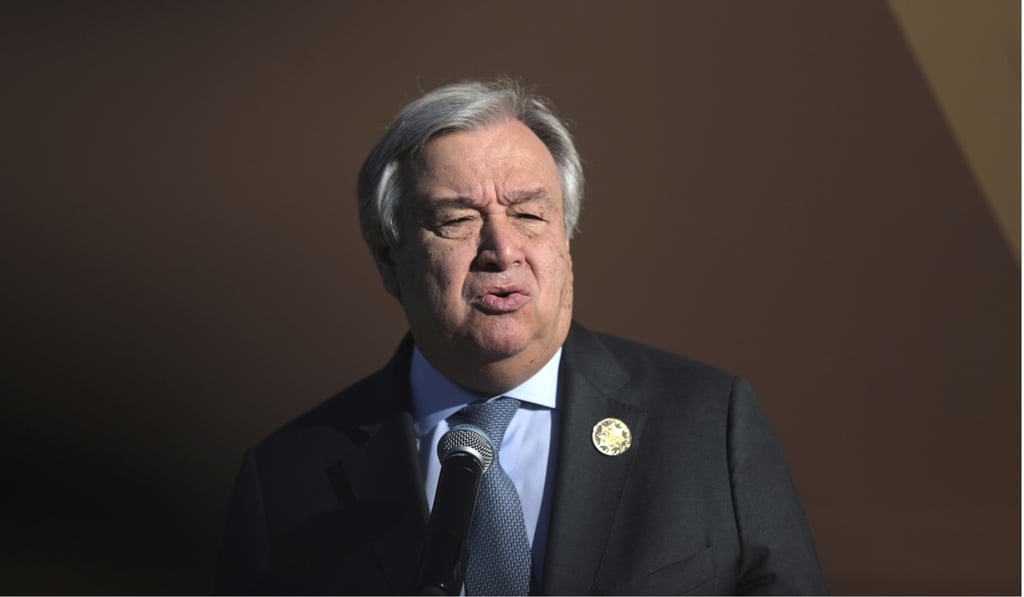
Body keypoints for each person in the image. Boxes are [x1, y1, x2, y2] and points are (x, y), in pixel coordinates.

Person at [216, 78, 827, 595]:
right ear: (387, 258)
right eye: (456, 220)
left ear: (566, 240)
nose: (501, 249)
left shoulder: (708, 422)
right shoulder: (285, 480)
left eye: (530, 214)